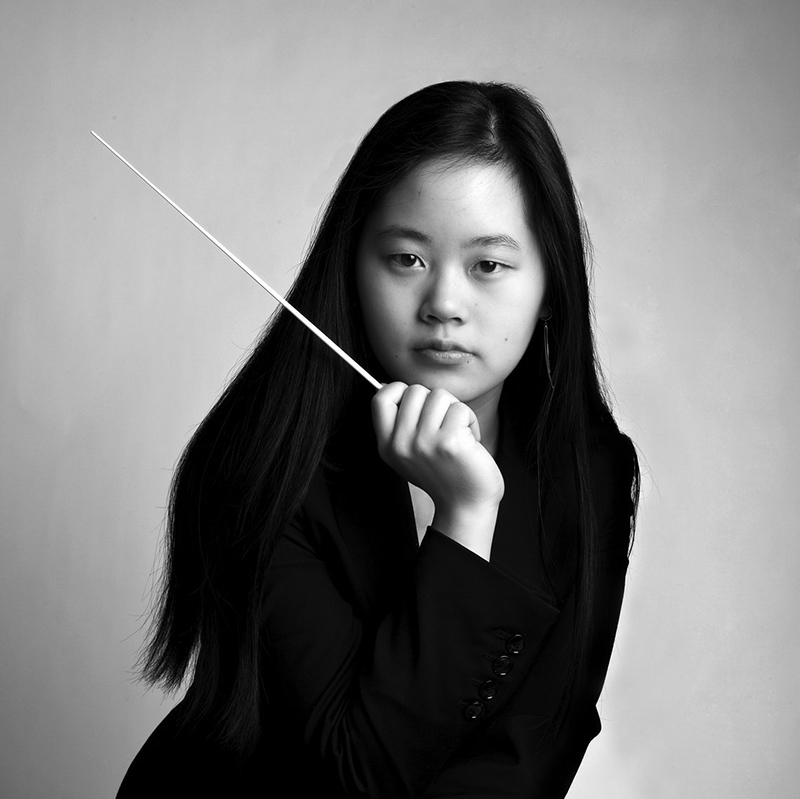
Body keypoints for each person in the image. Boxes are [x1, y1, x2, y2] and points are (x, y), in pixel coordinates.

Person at [116, 80, 640, 798]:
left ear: (550, 285)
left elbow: (540, 742)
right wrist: (465, 517)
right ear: (353, 266)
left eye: (488, 265)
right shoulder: (263, 461)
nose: (445, 306)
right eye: (407, 260)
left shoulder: (593, 467)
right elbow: (355, 777)